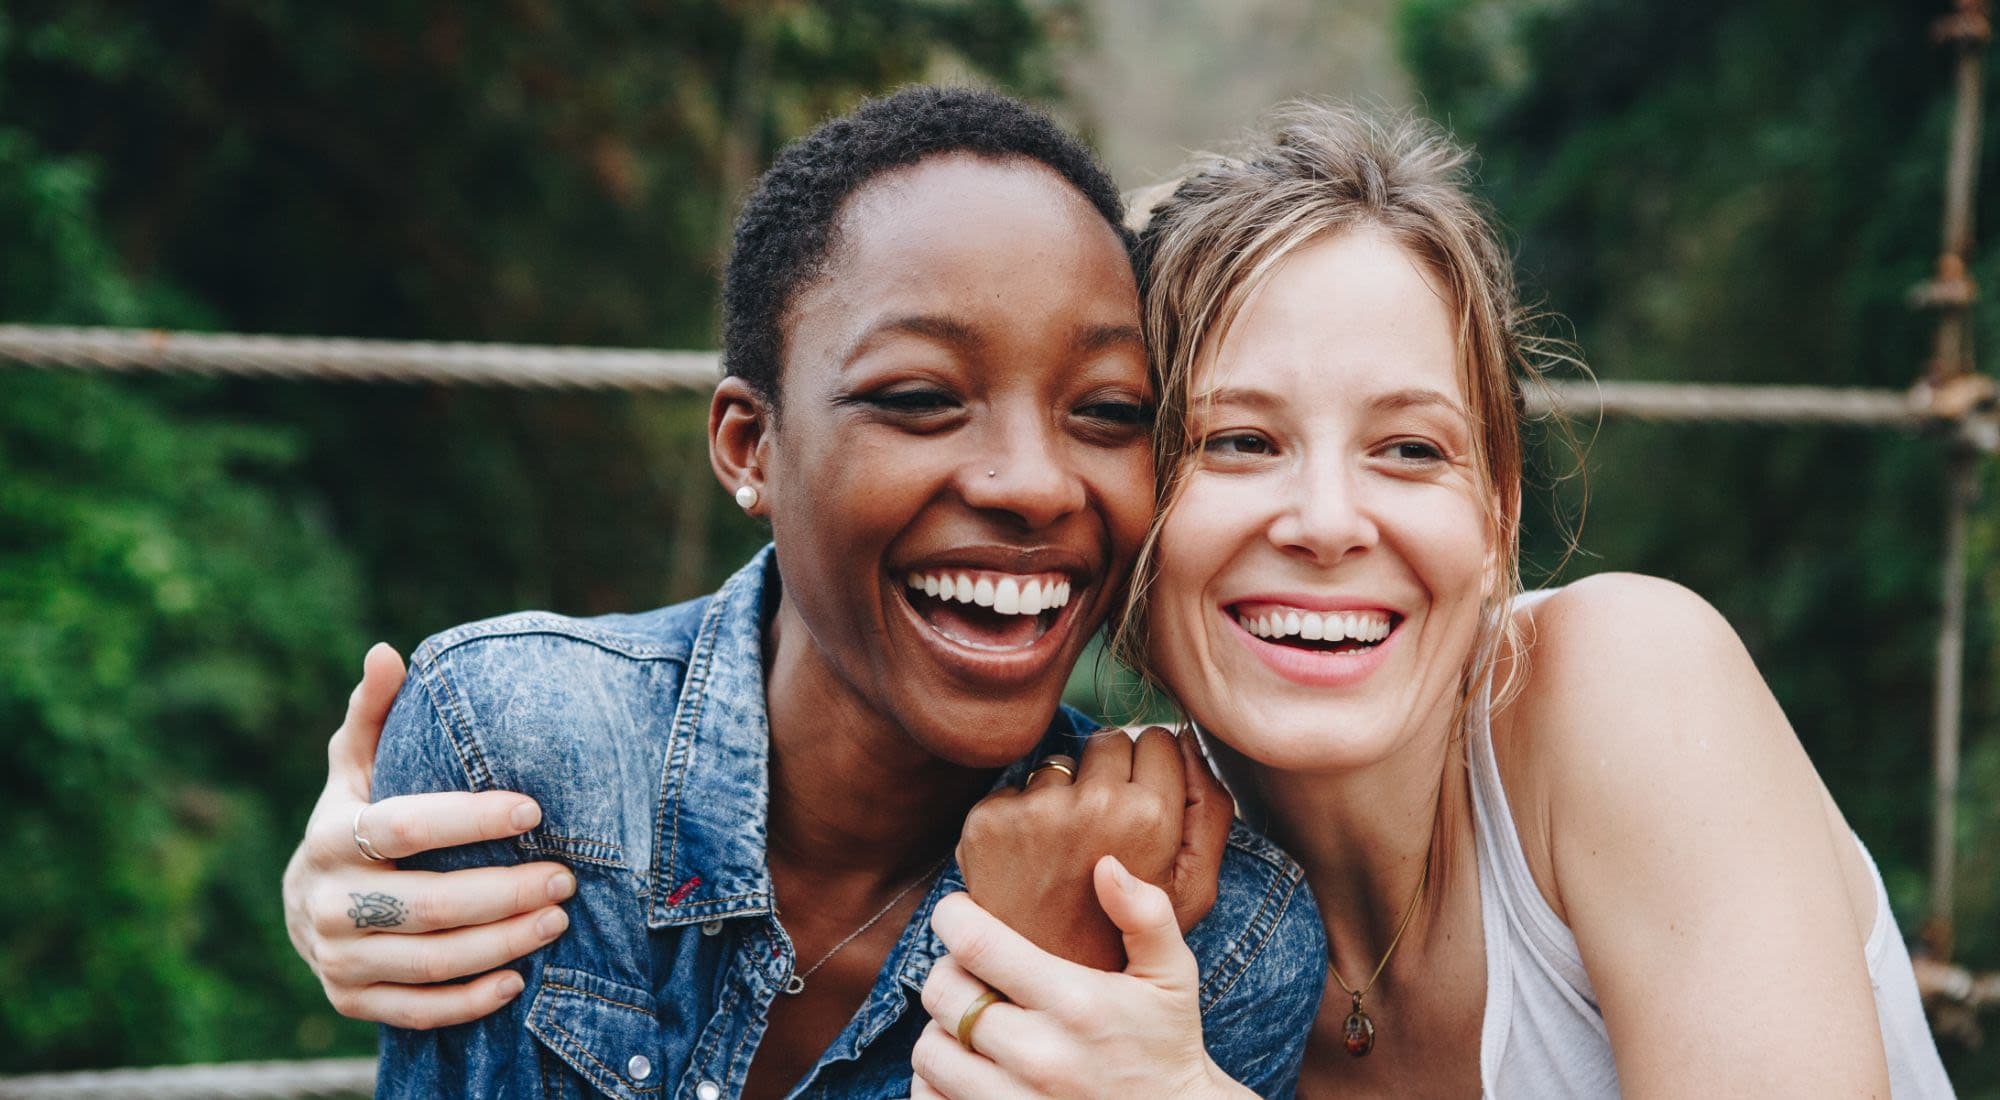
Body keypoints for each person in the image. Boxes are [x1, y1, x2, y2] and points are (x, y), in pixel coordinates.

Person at [280, 86, 1324, 1100]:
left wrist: (1044, 981)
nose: (1035, 482)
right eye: (919, 397)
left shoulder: (1208, 936)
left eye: (1105, 411)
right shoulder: (518, 748)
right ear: (752, 446)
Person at [908, 104, 1957, 1098]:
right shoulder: (1154, 880)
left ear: (1497, 514)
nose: (1326, 520)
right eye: (1237, 441)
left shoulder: (1629, 679)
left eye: (1409, 449)